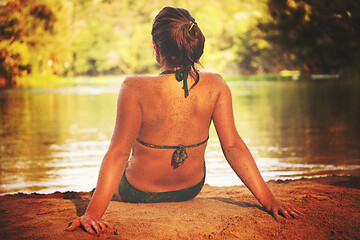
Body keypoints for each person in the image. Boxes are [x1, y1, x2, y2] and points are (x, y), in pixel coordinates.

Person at [66, 6, 305, 235]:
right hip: (190, 188)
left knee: (104, 183)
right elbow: (233, 147)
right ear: (194, 44)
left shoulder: (134, 87)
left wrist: (93, 213)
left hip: (138, 191)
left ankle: (95, 200)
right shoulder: (216, 84)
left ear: (156, 48)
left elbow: (118, 154)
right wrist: (270, 200)